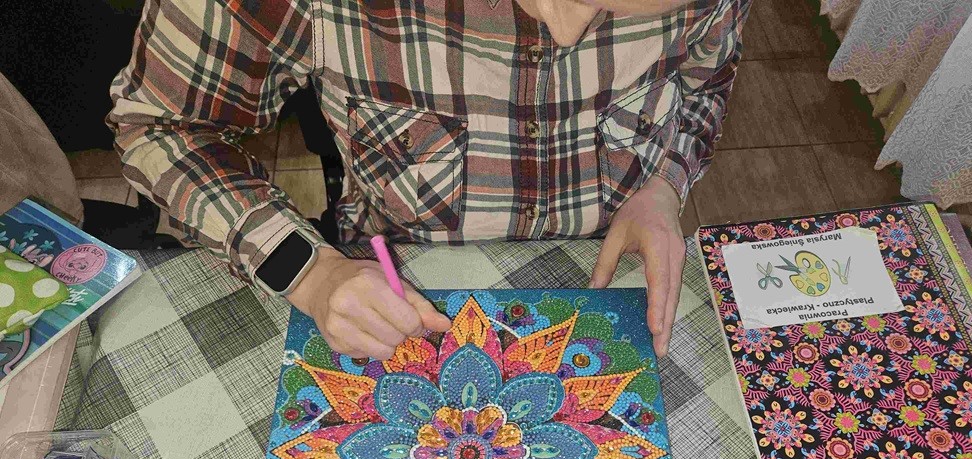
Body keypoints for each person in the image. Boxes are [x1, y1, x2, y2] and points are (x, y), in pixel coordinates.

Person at [110, 0, 749, 359]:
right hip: (391, 289)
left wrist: (663, 184)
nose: (568, 29)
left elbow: (705, 84)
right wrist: (308, 272)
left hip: (609, 274)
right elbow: (159, 127)